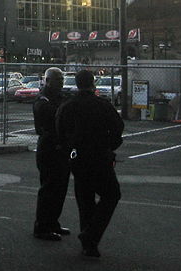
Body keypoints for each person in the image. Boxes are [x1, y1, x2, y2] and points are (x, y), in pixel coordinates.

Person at [56, 69, 124, 258]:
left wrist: (68, 150)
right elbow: (118, 127)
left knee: (85, 200)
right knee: (111, 195)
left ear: (77, 84)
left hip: (78, 158)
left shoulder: (68, 105)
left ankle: (89, 242)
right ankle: (91, 236)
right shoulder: (102, 105)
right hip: (100, 157)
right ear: (92, 83)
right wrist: (111, 146)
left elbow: (60, 131)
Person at [32, 67, 71, 241]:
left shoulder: (60, 98)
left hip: (61, 147)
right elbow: (48, 122)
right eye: (57, 80)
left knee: (60, 188)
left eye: (62, 80)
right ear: (47, 81)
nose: (61, 83)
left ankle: (53, 222)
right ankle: (42, 226)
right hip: (48, 147)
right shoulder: (43, 100)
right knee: (48, 188)